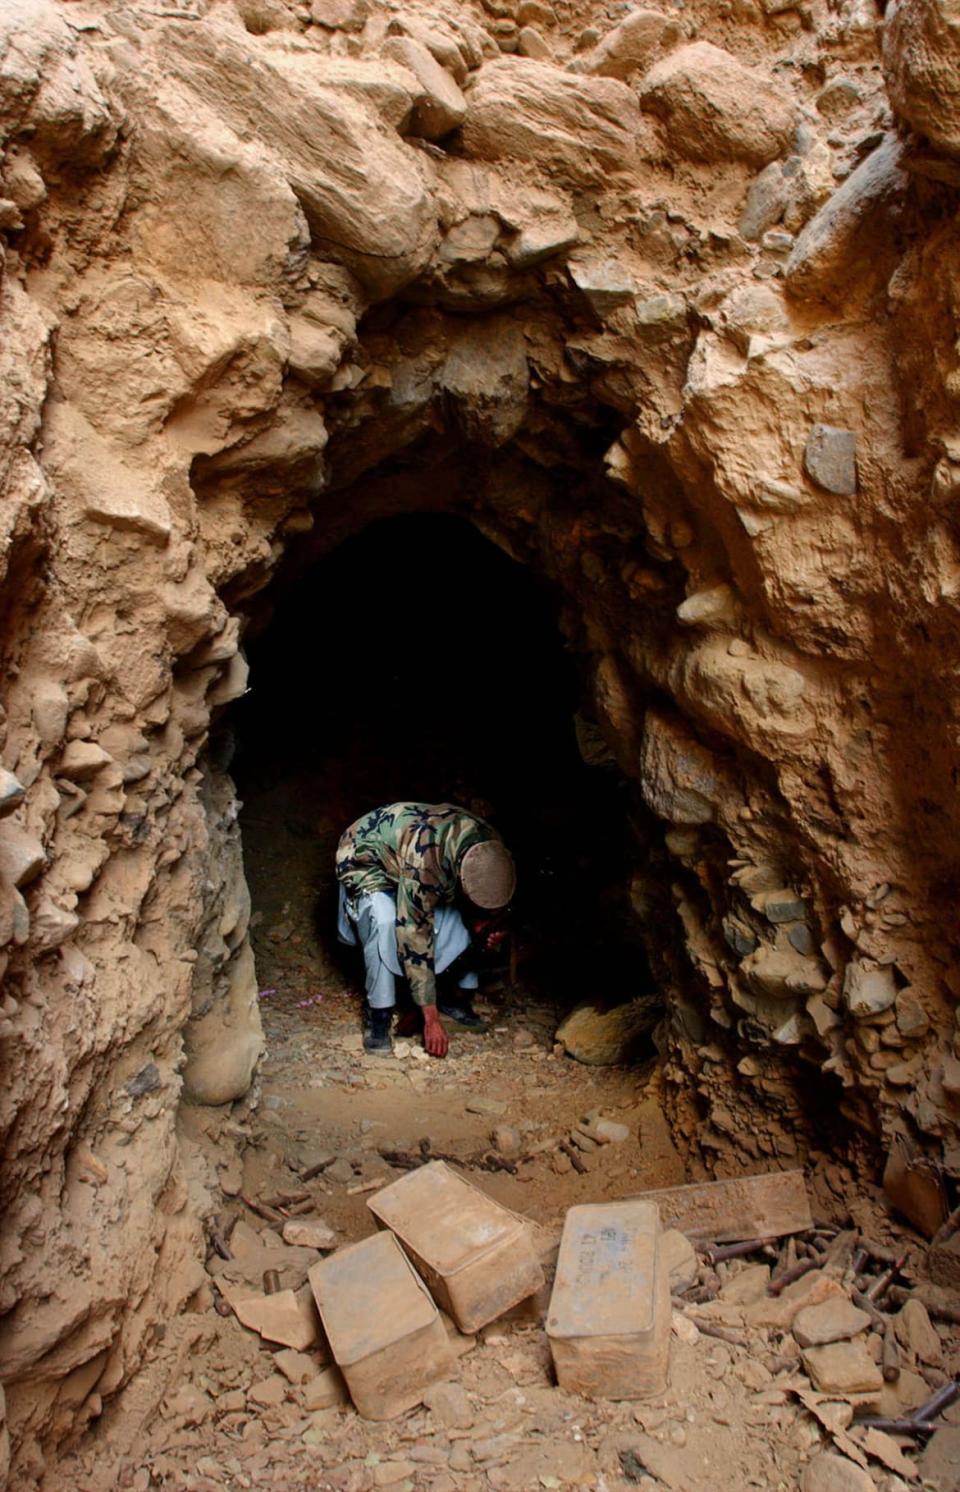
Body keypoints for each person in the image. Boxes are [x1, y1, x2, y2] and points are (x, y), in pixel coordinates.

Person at [335, 801, 516, 1058]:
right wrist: (430, 1018)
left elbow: (494, 896)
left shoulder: (491, 849)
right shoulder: (425, 864)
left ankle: (456, 999)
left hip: (416, 854)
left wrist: (488, 923)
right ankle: (379, 1015)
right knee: (385, 922)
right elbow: (414, 936)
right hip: (363, 856)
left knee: (456, 917)